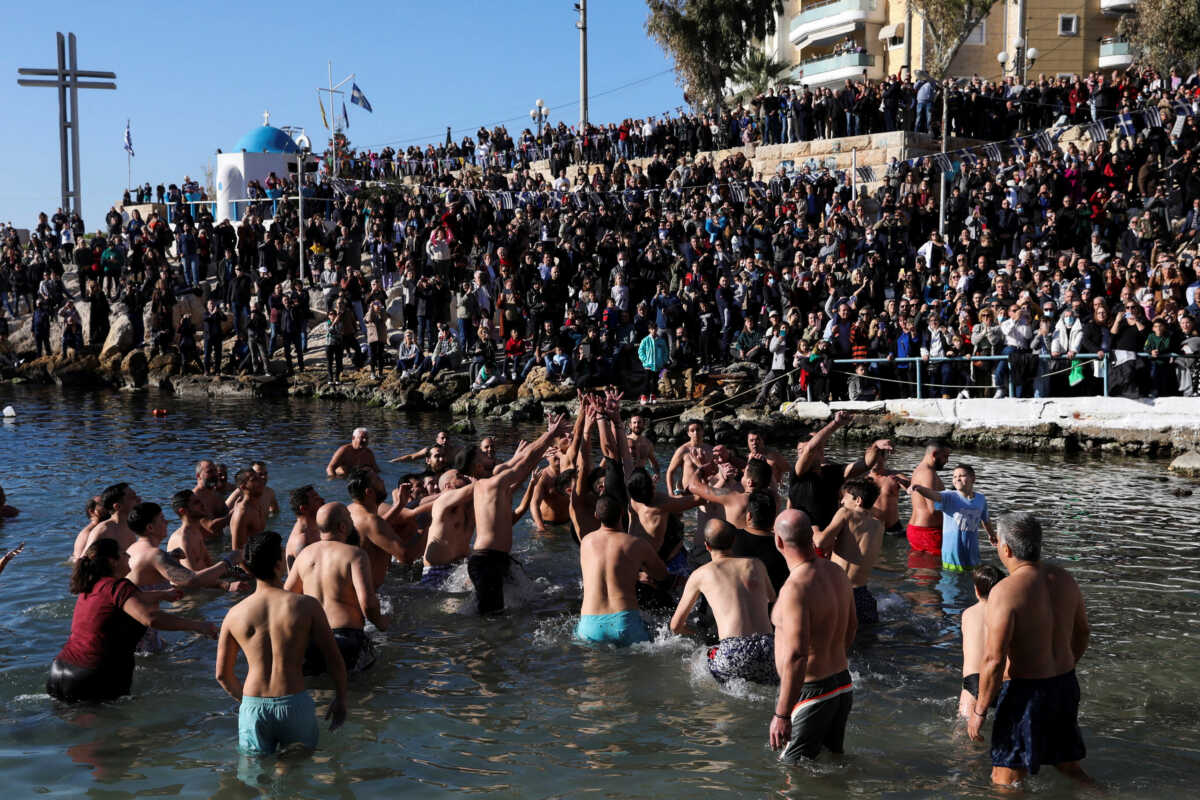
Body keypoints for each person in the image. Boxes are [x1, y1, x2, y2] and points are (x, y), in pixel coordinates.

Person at [969, 512, 1092, 786]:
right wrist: (1065, 665)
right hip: (1064, 685)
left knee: (1005, 779)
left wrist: (979, 711)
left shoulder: (1005, 591)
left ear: (1006, 549)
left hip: (1025, 693)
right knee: (1070, 769)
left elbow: (993, 659)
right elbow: (1083, 631)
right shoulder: (1065, 579)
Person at [216, 532, 348, 756]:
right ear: (279, 563)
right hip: (293, 702)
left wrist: (248, 703)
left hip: (253, 705)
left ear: (247, 569)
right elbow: (333, 658)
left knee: (254, 776)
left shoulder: (234, 614)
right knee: (296, 777)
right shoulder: (306, 606)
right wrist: (341, 699)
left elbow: (222, 675)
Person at [47, 537, 217, 703]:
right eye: (123, 554)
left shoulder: (91, 586)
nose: (129, 557)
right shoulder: (118, 586)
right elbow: (150, 619)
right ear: (112, 561)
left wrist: (164, 594)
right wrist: (198, 626)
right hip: (93, 675)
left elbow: (135, 597)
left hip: (60, 670)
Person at [769, 509, 857, 763]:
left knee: (790, 772)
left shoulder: (795, 588)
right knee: (831, 762)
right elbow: (852, 627)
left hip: (813, 693)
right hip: (842, 684)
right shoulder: (837, 572)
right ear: (811, 536)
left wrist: (782, 715)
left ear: (778, 541)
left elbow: (798, 655)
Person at [469, 415, 567, 614]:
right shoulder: (492, 483)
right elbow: (523, 463)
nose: (488, 454)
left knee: (519, 606)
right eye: (482, 454)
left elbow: (521, 464)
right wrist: (550, 435)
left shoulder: (492, 482)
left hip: (496, 559)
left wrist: (541, 447)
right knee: (490, 620)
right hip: (487, 560)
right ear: (478, 466)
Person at [285, 503, 387, 675]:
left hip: (311, 639)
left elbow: (286, 598)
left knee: (319, 696)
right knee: (360, 692)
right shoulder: (354, 554)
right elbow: (368, 603)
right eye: (349, 517)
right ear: (342, 526)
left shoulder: (304, 555)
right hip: (346, 638)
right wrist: (381, 623)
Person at [671, 519, 778, 684]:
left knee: (695, 660)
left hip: (733, 651)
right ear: (734, 541)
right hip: (769, 649)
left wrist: (699, 635)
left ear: (706, 546)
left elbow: (675, 625)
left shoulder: (700, 574)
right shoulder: (755, 564)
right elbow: (772, 599)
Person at [576, 496, 667, 646]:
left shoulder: (586, 542)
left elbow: (603, 570)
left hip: (590, 626)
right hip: (624, 623)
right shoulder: (637, 544)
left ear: (596, 516)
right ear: (622, 514)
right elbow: (662, 575)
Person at [814, 477, 884, 625]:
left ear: (858, 500)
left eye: (844, 498)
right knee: (866, 641)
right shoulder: (879, 525)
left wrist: (813, 528)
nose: (841, 502)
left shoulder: (846, 513)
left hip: (839, 592)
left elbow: (820, 542)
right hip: (862, 595)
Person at [127, 501, 234, 591]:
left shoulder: (132, 549)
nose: (167, 522)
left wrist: (169, 555)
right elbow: (192, 581)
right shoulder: (154, 555)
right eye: (162, 519)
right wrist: (229, 561)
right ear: (150, 527)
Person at [908, 463, 997, 572]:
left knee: (971, 582)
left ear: (973, 478)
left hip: (971, 554)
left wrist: (991, 534)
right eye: (954, 476)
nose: (957, 479)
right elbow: (934, 495)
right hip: (952, 555)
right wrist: (919, 488)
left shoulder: (981, 499)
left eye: (961, 476)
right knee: (950, 583)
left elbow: (985, 519)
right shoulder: (949, 496)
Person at [959, 564, 1004, 719]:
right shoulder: (1005, 615)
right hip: (998, 680)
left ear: (976, 591)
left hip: (973, 681)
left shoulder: (967, 614)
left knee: (962, 732)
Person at [421, 469, 477, 589]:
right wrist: (476, 482)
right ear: (448, 485)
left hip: (460, 568)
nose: (465, 478)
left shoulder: (469, 506)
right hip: (437, 572)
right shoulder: (443, 501)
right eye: (459, 476)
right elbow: (481, 486)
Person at [906, 441, 951, 557]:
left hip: (917, 529)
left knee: (920, 569)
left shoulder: (919, 470)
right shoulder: (928, 473)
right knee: (931, 572)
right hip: (928, 532)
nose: (947, 461)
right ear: (934, 454)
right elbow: (933, 508)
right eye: (945, 456)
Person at [84, 482, 142, 553]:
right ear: (118, 506)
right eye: (133, 497)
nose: (139, 499)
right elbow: (81, 561)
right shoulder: (103, 531)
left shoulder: (131, 527)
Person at [285, 485, 325, 569]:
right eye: (316, 499)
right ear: (304, 509)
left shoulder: (313, 528)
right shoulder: (302, 540)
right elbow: (309, 576)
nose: (322, 500)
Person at [230, 468, 268, 551]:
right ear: (243, 486)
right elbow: (236, 551)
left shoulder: (258, 504)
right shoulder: (242, 513)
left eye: (259, 478)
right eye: (254, 479)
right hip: (249, 562)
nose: (261, 481)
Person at [191, 460, 231, 539]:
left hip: (221, 541)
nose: (215, 474)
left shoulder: (216, 494)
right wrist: (235, 512)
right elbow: (210, 527)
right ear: (198, 476)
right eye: (209, 472)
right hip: (204, 546)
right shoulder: (194, 498)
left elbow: (226, 516)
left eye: (215, 471)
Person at [72, 495, 105, 561]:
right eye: (101, 504)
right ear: (91, 511)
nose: (106, 506)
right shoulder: (86, 534)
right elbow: (79, 561)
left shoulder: (103, 528)